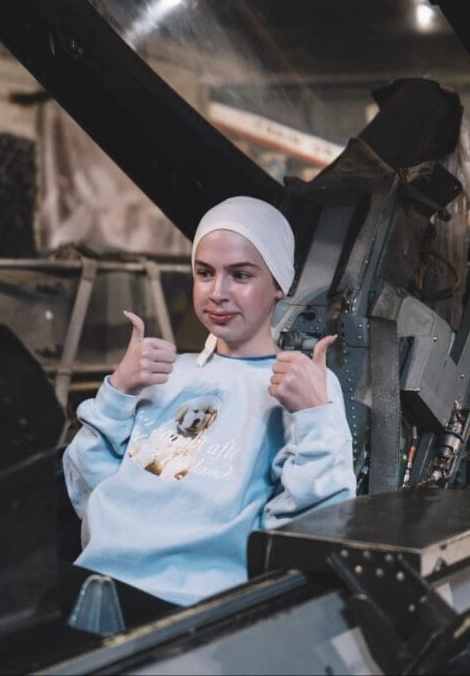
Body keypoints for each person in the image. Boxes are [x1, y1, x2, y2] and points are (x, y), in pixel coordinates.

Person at [61, 195, 356, 621]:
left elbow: (317, 526)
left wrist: (313, 415)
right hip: (95, 590)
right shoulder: (162, 373)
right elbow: (86, 487)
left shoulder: (298, 383)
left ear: (279, 284)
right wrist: (118, 391)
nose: (218, 293)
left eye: (240, 275)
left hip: (197, 615)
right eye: (204, 273)